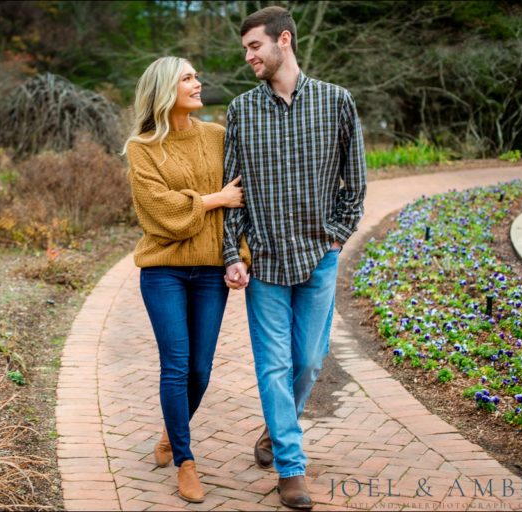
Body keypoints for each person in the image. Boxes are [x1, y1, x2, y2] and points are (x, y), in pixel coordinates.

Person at [221, 6, 367, 510]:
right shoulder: (242, 110)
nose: (248, 57)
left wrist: (338, 236)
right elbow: (232, 190)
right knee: (273, 366)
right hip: (264, 260)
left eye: (254, 46)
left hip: (318, 258)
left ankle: (274, 428)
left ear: (284, 40)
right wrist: (230, 256)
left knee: (307, 361)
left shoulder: (337, 102)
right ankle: (291, 466)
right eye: (245, 49)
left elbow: (357, 181)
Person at [123, 56, 249, 504]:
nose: (199, 83)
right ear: (165, 89)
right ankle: (185, 460)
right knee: (176, 364)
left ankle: (169, 432)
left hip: (212, 270)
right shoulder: (142, 147)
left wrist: (242, 256)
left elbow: (243, 205)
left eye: (197, 75)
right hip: (164, 271)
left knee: (200, 367)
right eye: (189, 78)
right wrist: (215, 198)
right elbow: (161, 213)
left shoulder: (218, 137)